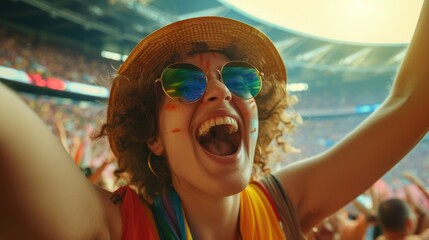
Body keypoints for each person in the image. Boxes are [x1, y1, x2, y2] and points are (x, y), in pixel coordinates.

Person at [0, 1, 428, 239]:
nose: (221, 91)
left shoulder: (283, 207)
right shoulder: (112, 227)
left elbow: (412, 102)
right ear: (152, 136)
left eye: (241, 80)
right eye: (183, 84)